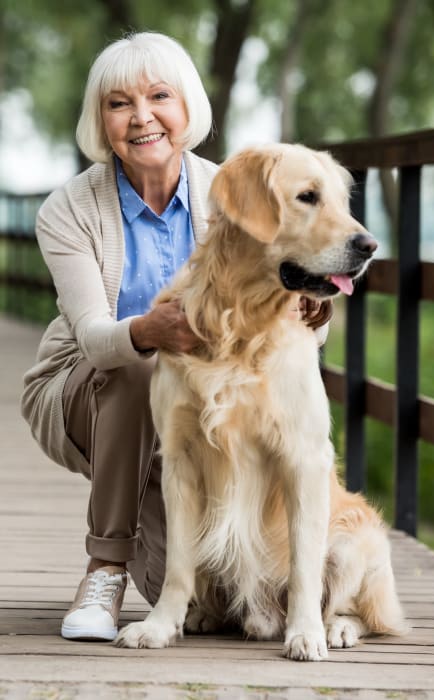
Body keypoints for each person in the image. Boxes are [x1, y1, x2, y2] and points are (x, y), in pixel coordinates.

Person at [21, 31, 332, 643]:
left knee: (216, 604)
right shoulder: (68, 211)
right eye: (118, 104)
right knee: (140, 365)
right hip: (88, 386)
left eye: (159, 96)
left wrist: (312, 311)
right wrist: (148, 330)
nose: (141, 118)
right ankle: (104, 569)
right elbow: (91, 339)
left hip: (200, 402)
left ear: (187, 106)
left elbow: (281, 307)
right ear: (100, 121)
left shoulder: (235, 193)